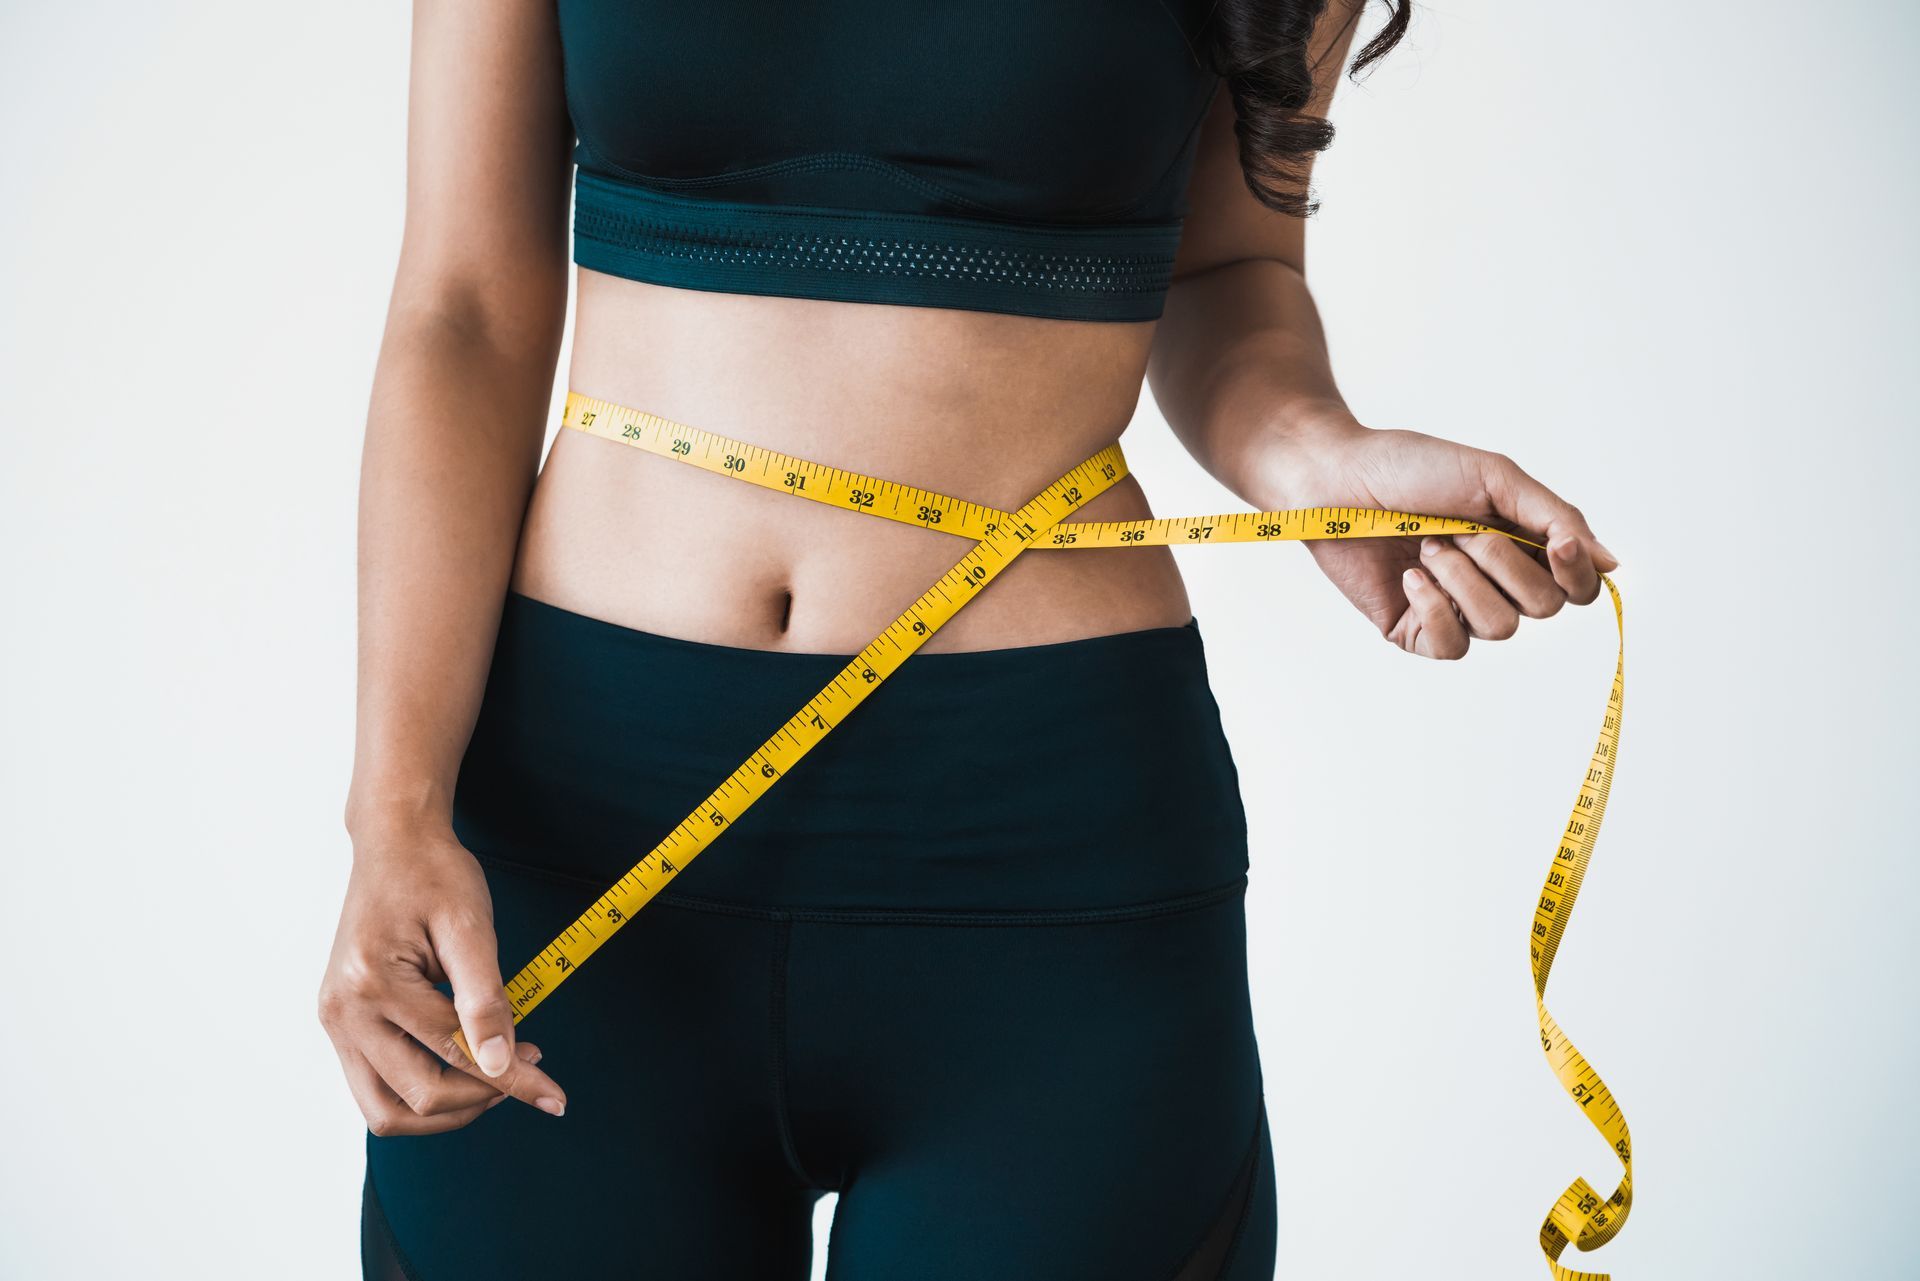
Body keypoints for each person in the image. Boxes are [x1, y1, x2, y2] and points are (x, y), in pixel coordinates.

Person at [317, 1, 1620, 1277]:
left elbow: (1233, 273)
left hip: (1048, 859)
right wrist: (397, 811)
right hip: (573, 829)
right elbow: (464, 309)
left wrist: (1318, 458)